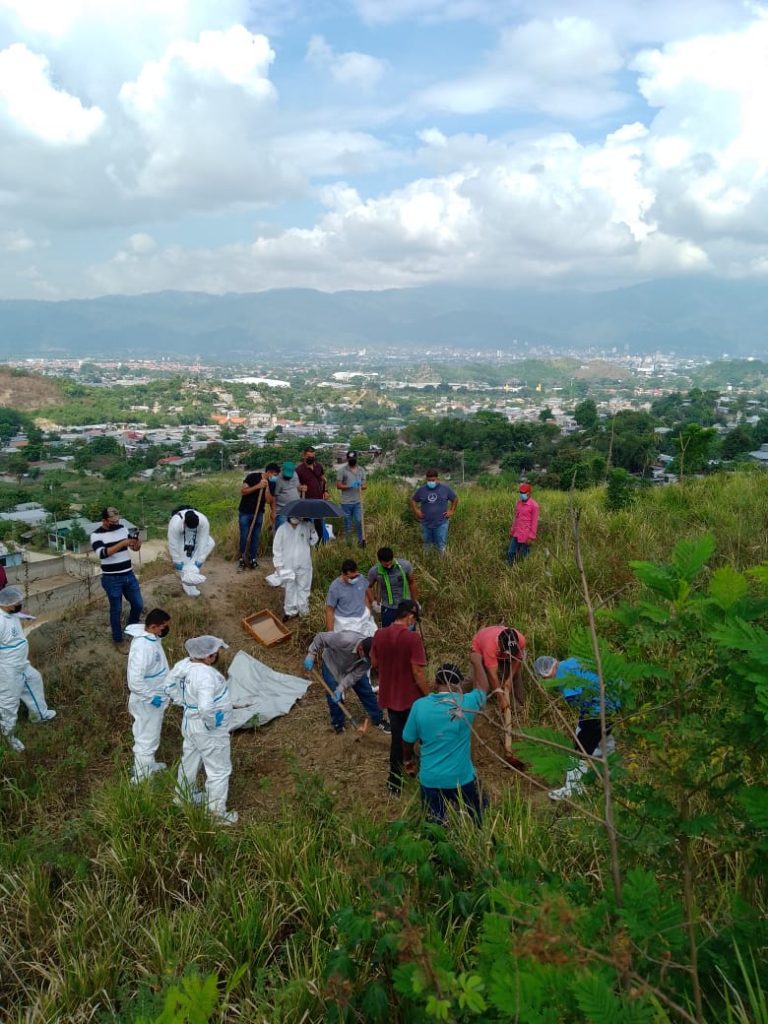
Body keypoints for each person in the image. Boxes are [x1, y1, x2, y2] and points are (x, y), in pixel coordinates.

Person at [403, 663, 488, 825]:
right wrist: (476, 659)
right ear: (458, 685)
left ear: (436, 682)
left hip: (430, 779)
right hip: (461, 778)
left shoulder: (419, 706)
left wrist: (408, 761)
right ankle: (477, 833)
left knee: (434, 824)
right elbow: (483, 687)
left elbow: (407, 740)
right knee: (477, 815)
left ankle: (437, 842)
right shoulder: (467, 703)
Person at [166, 635, 237, 825]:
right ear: (209, 656)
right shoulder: (205, 675)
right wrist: (212, 722)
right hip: (207, 729)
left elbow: (169, 685)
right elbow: (206, 708)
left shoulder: (184, 665)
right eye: (215, 653)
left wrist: (184, 703)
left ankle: (182, 798)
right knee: (219, 770)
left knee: (190, 760)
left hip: (190, 724)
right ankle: (216, 815)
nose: (217, 655)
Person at [534, 655, 620, 801]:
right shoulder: (570, 663)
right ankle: (613, 775)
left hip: (598, 710)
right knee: (603, 741)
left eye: (545, 679)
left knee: (579, 751)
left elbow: (578, 696)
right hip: (614, 702)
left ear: (547, 673)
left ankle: (572, 789)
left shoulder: (563, 676)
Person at [370, 599, 428, 794]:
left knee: (398, 737)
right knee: (421, 735)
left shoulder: (379, 634)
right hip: (412, 697)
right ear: (410, 616)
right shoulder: (413, 638)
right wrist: (429, 696)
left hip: (391, 696)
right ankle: (418, 771)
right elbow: (417, 672)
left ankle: (395, 781)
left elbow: (375, 663)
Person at [0, 586, 56, 751]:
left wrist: (26, 616)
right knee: (9, 703)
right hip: (8, 669)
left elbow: (17, 617)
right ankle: (8, 737)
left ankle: (39, 715)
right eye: (18, 603)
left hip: (21, 664)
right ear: (8, 604)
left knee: (34, 680)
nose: (20, 605)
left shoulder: (10, 613)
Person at [304, 631, 389, 735]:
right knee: (333, 696)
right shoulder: (344, 639)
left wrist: (342, 687)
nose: (369, 661)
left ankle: (378, 719)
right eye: (367, 658)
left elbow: (354, 675)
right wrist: (311, 653)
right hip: (332, 666)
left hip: (353, 667)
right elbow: (321, 637)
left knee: (366, 690)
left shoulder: (369, 657)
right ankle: (338, 725)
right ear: (361, 648)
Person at [470, 625, 527, 769]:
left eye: (511, 652)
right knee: (480, 681)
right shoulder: (490, 645)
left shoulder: (520, 640)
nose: (509, 654)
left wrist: (509, 679)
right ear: (500, 644)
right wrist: (501, 697)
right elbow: (492, 675)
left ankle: (518, 709)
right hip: (481, 648)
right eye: (507, 651)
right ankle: (467, 699)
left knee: (516, 688)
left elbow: (518, 660)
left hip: (501, 654)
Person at [125, 608, 171, 782]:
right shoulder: (143, 648)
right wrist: (151, 697)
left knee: (152, 734)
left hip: (154, 698)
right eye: (163, 627)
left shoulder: (151, 638)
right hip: (147, 701)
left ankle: (148, 765)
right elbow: (134, 680)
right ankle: (141, 778)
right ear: (153, 626)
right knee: (146, 738)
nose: (164, 630)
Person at [90, 506, 143, 649]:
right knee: (116, 609)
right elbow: (102, 554)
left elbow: (133, 548)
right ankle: (118, 640)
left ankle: (130, 629)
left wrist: (136, 544)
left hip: (129, 574)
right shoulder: (96, 535)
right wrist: (122, 543)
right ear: (104, 520)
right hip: (112, 579)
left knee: (138, 604)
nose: (116, 524)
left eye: (117, 521)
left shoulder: (123, 529)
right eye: (112, 522)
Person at [271, 517, 318, 621]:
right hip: (288, 565)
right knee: (290, 588)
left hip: (304, 564)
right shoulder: (282, 529)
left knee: (304, 587)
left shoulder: (306, 526)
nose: (295, 517)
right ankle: (290, 611)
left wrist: (313, 530)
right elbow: (276, 548)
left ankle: (304, 611)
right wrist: (278, 565)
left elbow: (313, 542)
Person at [238, 462, 279, 570]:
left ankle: (253, 559)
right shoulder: (252, 477)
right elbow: (243, 491)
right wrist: (258, 486)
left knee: (256, 538)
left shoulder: (272, 484)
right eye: (274, 474)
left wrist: (266, 488)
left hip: (259, 513)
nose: (275, 477)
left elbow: (269, 500)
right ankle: (242, 558)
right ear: (269, 472)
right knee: (244, 536)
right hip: (245, 512)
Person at [167, 507, 215, 597]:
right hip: (181, 535)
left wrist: (200, 559)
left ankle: (192, 571)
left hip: (197, 534)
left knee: (210, 542)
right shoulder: (175, 524)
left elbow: (203, 540)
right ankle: (187, 585)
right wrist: (177, 560)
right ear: (184, 523)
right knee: (184, 558)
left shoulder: (203, 521)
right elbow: (173, 543)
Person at [366, 547, 418, 627]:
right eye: (386, 565)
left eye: (390, 563)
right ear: (380, 561)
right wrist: (373, 602)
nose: (389, 566)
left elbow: (412, 582)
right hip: (388, 607)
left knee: (408, 631)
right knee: (389, 632)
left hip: (406, 605)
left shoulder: (405, 565)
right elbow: (367, 587)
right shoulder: (375, 571)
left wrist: (415, 601)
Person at [410, 469, 458, 554]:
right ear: (426, 479)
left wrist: (451, 510)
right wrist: (416, 511)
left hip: (441, 523)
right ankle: (427, 562)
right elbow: (413, 500)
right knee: (427, 545)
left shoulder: (445, 489)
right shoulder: (422, 490)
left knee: (441, 545)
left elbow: (455, 498)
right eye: (429, 480)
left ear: (437, 479)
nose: (431, 482)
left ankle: (442, 563)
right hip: (425, 523)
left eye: (433, 480)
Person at [325, 559, 376, 636]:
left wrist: (372, 606)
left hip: (363, 619)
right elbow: (329, 610)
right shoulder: (335, 587)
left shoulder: (361, 578)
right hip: (345, 624)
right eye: (351, 577)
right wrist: (330, 634)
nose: (354, 579)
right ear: (343, 574)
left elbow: (366, 590)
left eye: (355, 576)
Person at [296, 446, 328, 543]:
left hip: (319, 500)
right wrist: (300, 488)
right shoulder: (299, 469)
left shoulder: (318, 466)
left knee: (319, 524)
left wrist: (326, 491)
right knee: (307, 524)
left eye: (313, 456)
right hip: (306, 501)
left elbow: (324, 480)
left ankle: (320, 546)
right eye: (309, 456)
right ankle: (307, 545)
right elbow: (295, 485)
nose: (311, 458)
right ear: (304, 456)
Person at [336, 450, 366, 546]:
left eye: (353, 459)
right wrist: (350, 486)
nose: (352, 460)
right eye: (350, 459)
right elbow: (338, 485)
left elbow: (365, 485)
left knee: (359, 522)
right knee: (347, 525)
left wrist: (361, 485)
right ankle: (348, 544)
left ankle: (361, 542)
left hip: (358, 502)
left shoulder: (361, 470)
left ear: (356, 458)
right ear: (347, 459)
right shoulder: (342, 470)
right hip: (346, 503)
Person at [507, 482, 539, 563]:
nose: (522, 494)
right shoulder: (519, 503)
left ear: (529, 493)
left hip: (526, 534)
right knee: (511, 552)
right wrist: (512, 530)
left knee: (524, 556)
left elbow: (534, 523)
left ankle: (525, 571)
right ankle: (509, 569)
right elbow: (516, 518)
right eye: (520, 492)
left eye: (523, 493)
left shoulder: (534, 506)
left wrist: (531, 537)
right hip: (517, 533)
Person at [272, 461, 302, 531]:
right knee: (281, 530)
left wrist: (301, 488)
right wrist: (273, 511)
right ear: (282, 470)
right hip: (282, 510)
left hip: (294, 508)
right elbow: (274, 496)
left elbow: (297, 486)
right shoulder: (278, 479)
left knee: (295, 530)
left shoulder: (295, 474)